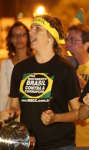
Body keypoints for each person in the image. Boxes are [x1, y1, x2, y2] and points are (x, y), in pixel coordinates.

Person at [2, 15, 81, 150]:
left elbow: (79, 112)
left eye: (37, 29)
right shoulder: (20, 68)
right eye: (31, 28)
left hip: (60, 145)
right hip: (29, 144)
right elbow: (15, 106)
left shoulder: (65, 69)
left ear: (50, 37)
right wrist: (10, 113)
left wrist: (55, 117)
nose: (31, 32)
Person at [65, 24, 89, 150]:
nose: (67, 44)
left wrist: (81, 84)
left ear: (86, 45)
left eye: (73, 40)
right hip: (67, 139)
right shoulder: (63, 68)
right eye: (67, 39)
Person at [0, 21, 33, 111]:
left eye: (22, 34)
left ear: (28, 37)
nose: (18, 38)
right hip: (12, 113)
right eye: (14, 35)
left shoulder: (36, 62)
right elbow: (3, 93)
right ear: (10, 39)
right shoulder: (6, 64)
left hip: (32, 111)